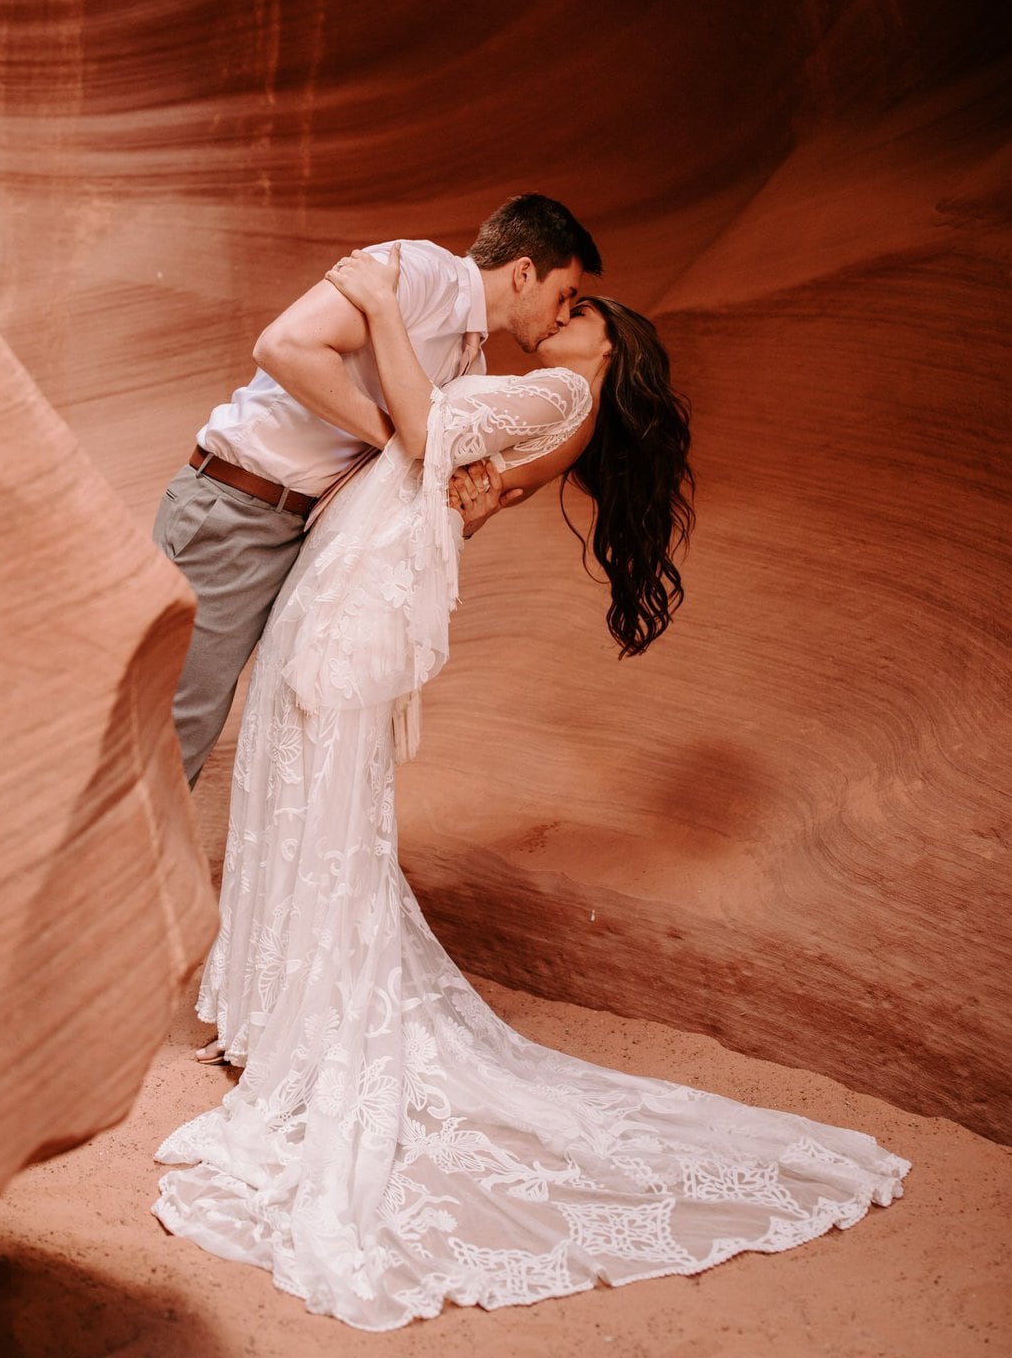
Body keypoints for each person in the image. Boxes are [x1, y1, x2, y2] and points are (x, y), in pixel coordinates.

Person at [153, 251, 908, 1331]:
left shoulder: (560, 390)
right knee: (300, 801)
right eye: (566, 294)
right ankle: (280, 1017)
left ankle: (299, 1027)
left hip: (352, 596)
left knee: (317, 801)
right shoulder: (531, 394)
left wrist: (373, 306)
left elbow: (423, 436)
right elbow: (451, 479)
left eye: (578, 309)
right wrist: (453, 483)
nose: (559, 315)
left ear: (603, 344)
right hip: (341, 571)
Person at [154, 194, 602, 784]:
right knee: (173, 731)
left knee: (234, 732)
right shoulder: (414, 274)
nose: (564, 313)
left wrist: (466, 499)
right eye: (565, 294)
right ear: (524, 273)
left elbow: (424, 472)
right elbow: (283, 347)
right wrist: (403, 444)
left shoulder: (471, 366)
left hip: (297, 533)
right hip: (237, 511)